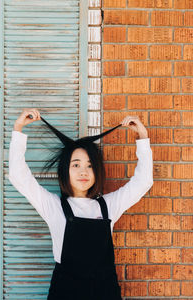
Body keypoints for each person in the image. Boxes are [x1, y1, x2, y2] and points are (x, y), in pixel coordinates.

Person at [9, 108, 153, 300]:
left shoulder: (108, 206)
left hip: (104, 291)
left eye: (90, 165)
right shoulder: (54, 207)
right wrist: (18, 129)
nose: (83, 172)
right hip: (66, 291)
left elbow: (143, 182)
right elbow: (19, 177)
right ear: (65, 171)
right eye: (76, 165)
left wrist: (142, 137)